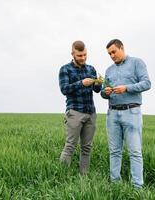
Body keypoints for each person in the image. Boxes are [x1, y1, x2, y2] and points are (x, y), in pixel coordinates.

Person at [101, 39, 151, 188]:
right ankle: (115, 185)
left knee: (135, 152)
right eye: (109, 53)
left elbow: (147, 83)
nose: (111, 55)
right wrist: (106, 92)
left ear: (122, 48)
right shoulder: (109, 70)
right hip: (112, 114)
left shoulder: (137, 62)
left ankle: (137, 187)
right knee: (114, 151)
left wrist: (126, 88)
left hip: (132, 112)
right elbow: (103, 93)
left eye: (114, 52)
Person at [59, 40, 102, 174]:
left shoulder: (91, 69)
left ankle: (84, 176)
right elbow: (64, 89)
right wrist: (81, 83)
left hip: (90, 112)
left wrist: (98, 83)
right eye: (79, 56)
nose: (83, 58)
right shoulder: (65, 69)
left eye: (84, 55)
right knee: (70, 146)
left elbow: (96, 90)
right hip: (74, 112)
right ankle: (62, 175)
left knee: (87, 148)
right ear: (73, 54)